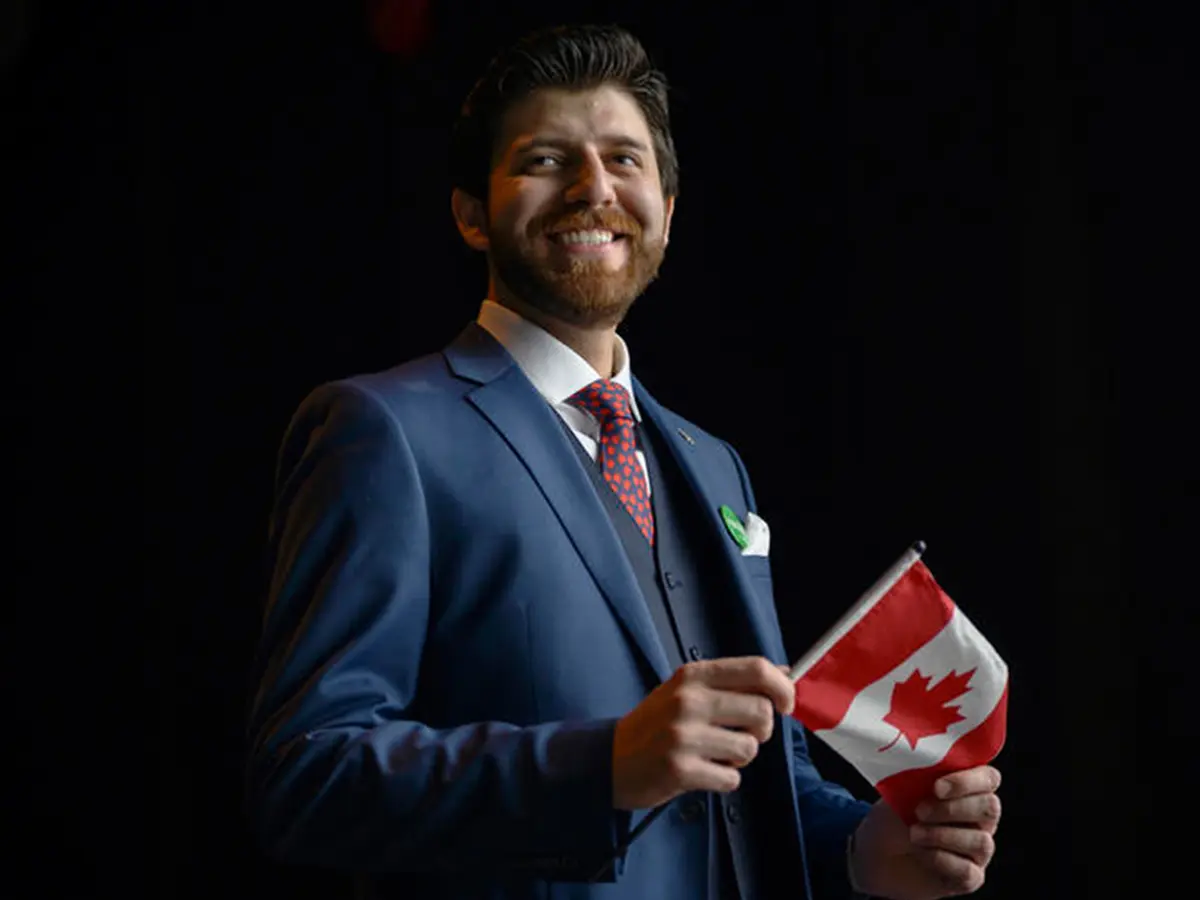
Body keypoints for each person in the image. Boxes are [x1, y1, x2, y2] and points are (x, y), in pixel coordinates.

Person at [245, 24, 1002, 900]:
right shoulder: (382, 431)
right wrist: (600, 767)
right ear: (469, 213)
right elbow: (306, 775)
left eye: (623, 160)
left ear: (668, 213)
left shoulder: (714, 466)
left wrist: (862, 850)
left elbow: (759, 782)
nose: (592, 187)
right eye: (544, 160)